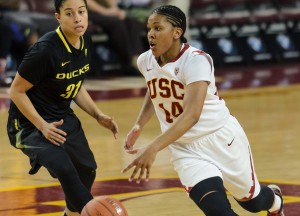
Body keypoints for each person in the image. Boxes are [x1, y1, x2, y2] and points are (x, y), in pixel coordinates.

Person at [122, 5, 284, 216]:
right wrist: (139, 123)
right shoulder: (145, 60)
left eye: (157, 28)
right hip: (184, 148)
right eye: (149, 28)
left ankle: (275, 202)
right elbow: (155, 89)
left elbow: (192, 115)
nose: (150, 34)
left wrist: (152, 148)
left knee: (251, 203)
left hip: (220, 138)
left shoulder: (197, 60)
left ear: (177, 32)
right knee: (218, 212)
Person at [6, 0, 119, 216]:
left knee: (87, 170)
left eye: (81, 12)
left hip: (61, 115)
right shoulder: (45, 50)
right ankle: (93, 212)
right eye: (69, 13)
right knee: (64, 167)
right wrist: (42, 126)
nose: (77, 18)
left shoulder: (85, 40)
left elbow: (74, 83)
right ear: (58, 17)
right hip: (30, 124)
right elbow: (15, 91)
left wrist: (98, 114)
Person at [87, 0, 145, 75]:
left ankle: (138, 58)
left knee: (132, 22)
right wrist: (106, 12)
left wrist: (116, 10)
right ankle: (131, 60)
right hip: (87, 12)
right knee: (117, 23)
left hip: (106, 10)